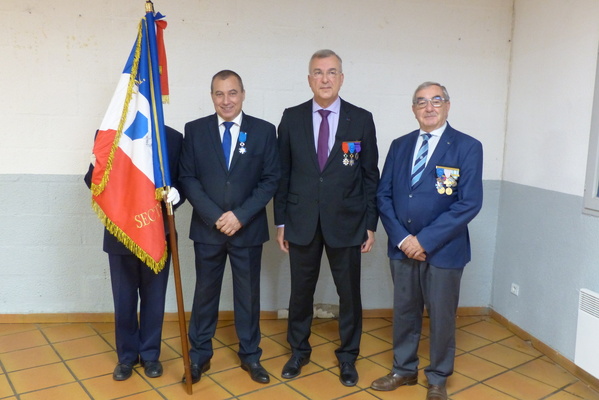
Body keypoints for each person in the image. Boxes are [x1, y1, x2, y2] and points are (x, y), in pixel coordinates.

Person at [274, 49, 379, 387]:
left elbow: (369, 177)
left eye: (332, 72)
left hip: (347, 223)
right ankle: (298, 351)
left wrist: (370, 224)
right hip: (301, 222)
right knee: (300, 292)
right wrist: (281, 222)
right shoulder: (291, 118)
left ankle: (348, 356)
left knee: (349, 294)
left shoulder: (361, 119)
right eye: (318, 72)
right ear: (309, 80)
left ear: (341, 79)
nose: (325, 79)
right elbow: (282, 174)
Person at [372, 82, 483, 400]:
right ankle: (403, 369)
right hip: (402, 247)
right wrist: (404, 238)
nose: (429, 107)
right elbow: (384, 195)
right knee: (405, 310)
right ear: (413, 109)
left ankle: (437, 377)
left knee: (442, 315)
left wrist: (425, 240)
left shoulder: (467, 146)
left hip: (445, 250)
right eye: (421, 102)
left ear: (448, 105)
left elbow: (469, 202)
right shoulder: (400, 145)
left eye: (436, 100)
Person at [178, 70, 280, 385]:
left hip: (246, 229)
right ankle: (198, 357)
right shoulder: (194, 131)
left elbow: (270, 179)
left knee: (248, 296)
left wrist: (240, 215)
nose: (226, 100)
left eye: (232, 93)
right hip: (208, 230)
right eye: (219, 94)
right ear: (212, 96)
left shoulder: (264, 131)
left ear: (243, 94)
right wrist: (214, 215)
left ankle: (251, 356)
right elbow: (188, 178)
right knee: (204, 294)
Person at [84, 126, 184, 381]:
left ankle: (150, 355)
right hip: (121, 233)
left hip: (156, 233)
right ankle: (127, 357)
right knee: (125, 300)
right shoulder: (110, 134)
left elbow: (182, 182)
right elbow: (91, 179)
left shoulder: (172, 138)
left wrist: (176, 194)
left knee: (154, 298)